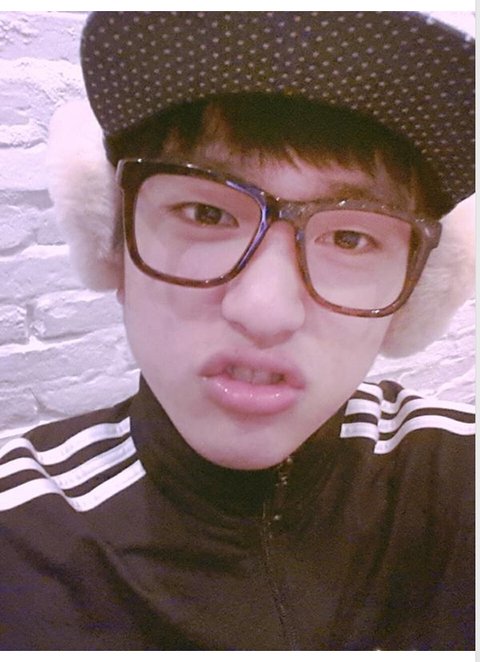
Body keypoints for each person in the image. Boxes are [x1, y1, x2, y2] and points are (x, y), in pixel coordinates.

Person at [0, 11, 474, 651]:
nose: (265, 311)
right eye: (204, 212)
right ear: (111, 242)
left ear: (418, 291)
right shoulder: (20, 539)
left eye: (351, 237)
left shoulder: (456, 478)